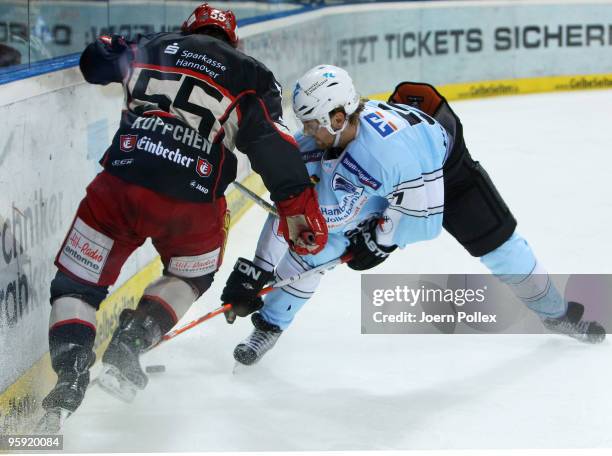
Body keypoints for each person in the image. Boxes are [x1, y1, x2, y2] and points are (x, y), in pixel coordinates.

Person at [37, 4, 328, 430]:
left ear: (187, 30)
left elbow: (94, 63)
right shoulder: (251, 73)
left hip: (121, 184)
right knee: (190, 275)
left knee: (77, 284)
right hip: (192, 200)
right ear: (233, 40)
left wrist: (114, 48)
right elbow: (272, 143)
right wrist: (298, 209)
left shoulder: (151, 46)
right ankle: (130, 343)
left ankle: (70, 371)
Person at [220, 64, 606, 367]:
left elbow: (423, 224)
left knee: (501, 247)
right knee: (317, 242)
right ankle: (270, 325)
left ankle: (555, 312)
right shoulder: (322, 142)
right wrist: (260, 268)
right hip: (392, 183)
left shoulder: (391, 152)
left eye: (311, 123)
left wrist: (377, 242)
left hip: (445, 176)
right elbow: (294, 212)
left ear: (338, 118)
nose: (306, 132)